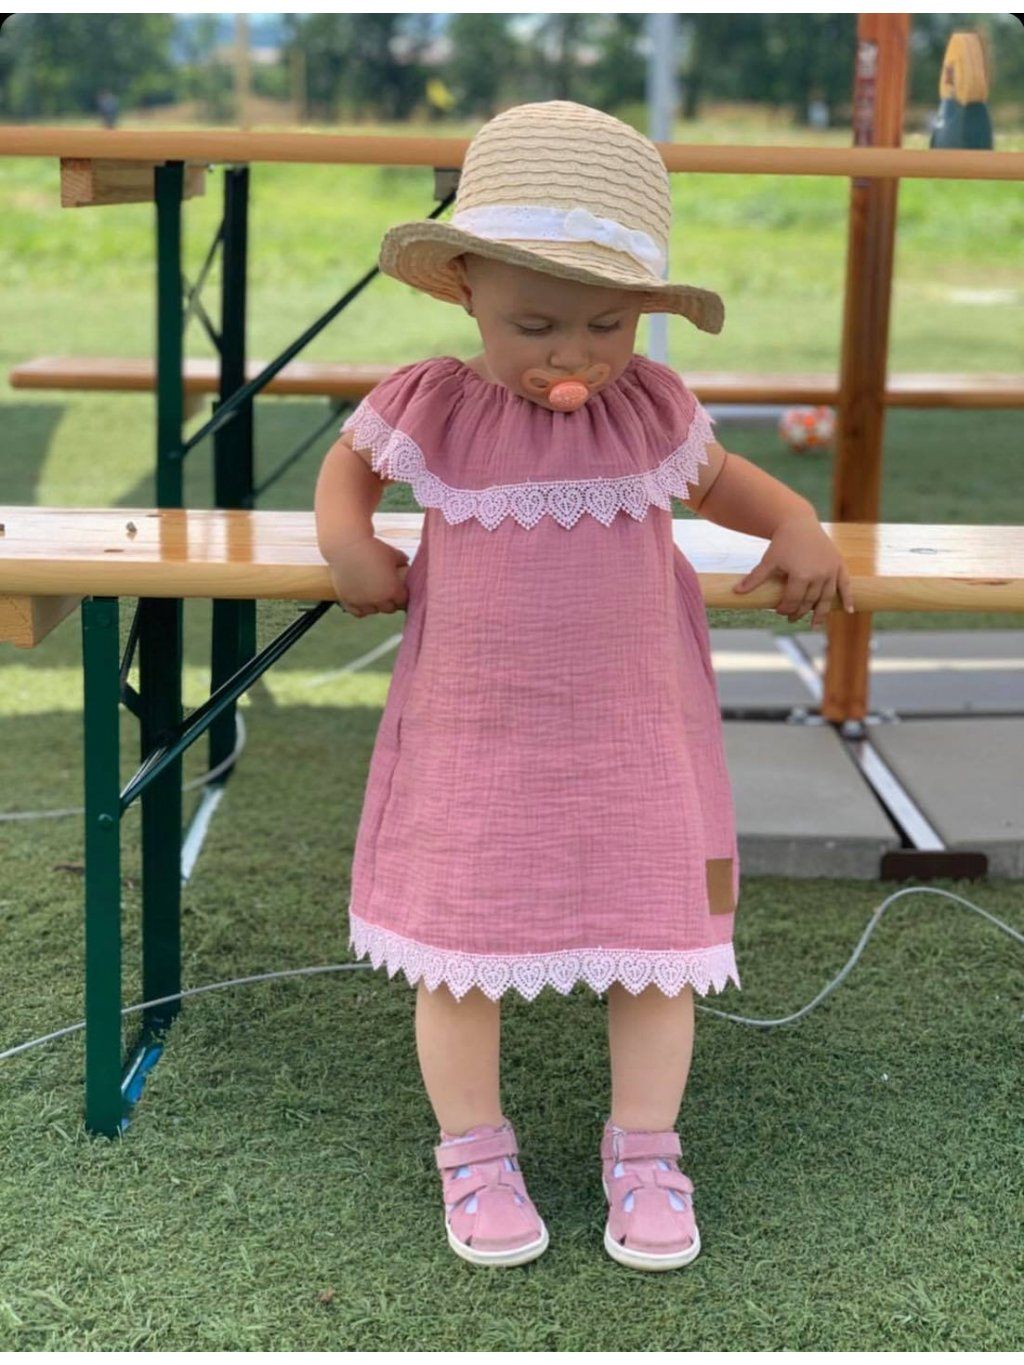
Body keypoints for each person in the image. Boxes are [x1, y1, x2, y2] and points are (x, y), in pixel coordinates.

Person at [313, 100, 853, 1272]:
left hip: (630, 736)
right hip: (475, 733)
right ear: (466, 289)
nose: (572, 355)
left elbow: (726, 485)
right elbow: (347, 472)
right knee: (459, 946)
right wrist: (350, 545)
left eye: (606, 324)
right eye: (536, 323)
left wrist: (798, 520)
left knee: (653, 935)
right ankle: (473, 1151)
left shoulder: (648, 407)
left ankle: (646, 1151)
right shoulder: (435, 403)